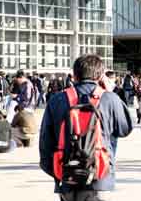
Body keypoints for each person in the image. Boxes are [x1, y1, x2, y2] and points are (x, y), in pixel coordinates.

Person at [39, 55, 133, 201]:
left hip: (67, 175)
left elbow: (45, 143)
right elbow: (125, 128)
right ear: (101, 76)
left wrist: (57, 173)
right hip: (99, 173)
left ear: (74, 75)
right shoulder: (109, 98)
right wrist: (111, 91)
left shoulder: (57, 99)